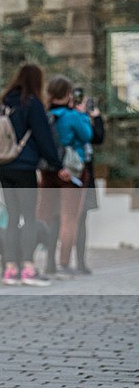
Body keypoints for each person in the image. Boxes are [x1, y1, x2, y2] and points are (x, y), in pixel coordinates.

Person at [0, 64, 70, 287]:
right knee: (30, 218)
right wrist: (58, 165)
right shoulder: (32, 103)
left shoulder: (4, 102)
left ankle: (10, 270)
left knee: (13, 217)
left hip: (3, 167)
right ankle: (28, 268)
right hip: (24, 167)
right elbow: (44, 138)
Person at [37, 76, 93, 279]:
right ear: (69, 94)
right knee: (69, 219)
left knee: (46, 216)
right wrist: (83, 114)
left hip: (48, 170)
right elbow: (87, 135)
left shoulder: (44, 115)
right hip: (71, 171)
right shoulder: (72, 116)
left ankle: (43, 262)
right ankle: (64, 263)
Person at [76, 100, 104, 275]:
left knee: (80, 220)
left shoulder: (81, 120)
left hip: (84, 174)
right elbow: (96, 136)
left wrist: (96, 117)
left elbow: (98, 137)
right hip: (74, 173)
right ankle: (57, 263)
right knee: (70, 220)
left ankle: (79, 261)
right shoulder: (72, 119)